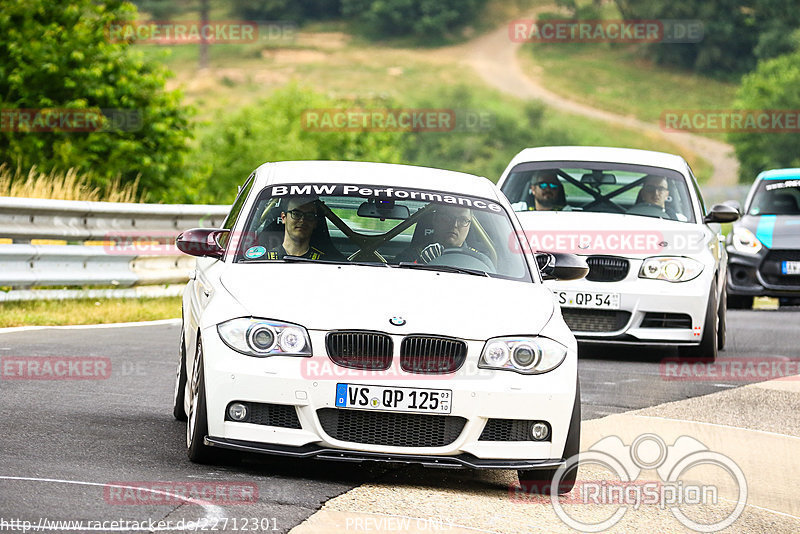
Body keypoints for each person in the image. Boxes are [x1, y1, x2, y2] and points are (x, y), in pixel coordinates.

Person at [396, 205, 482, 264]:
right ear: (435, 220)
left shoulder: (479, 260)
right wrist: (419, 263)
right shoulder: (409, 257)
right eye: (447, 218)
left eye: (463, 220)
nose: (454, 225)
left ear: (469, 225)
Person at [265, 196, 342, 260]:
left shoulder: (327, 262)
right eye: (296, 214)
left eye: (309, 216)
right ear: (283, 217)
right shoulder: (263, 260)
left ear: (315, 222)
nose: (302, 220)